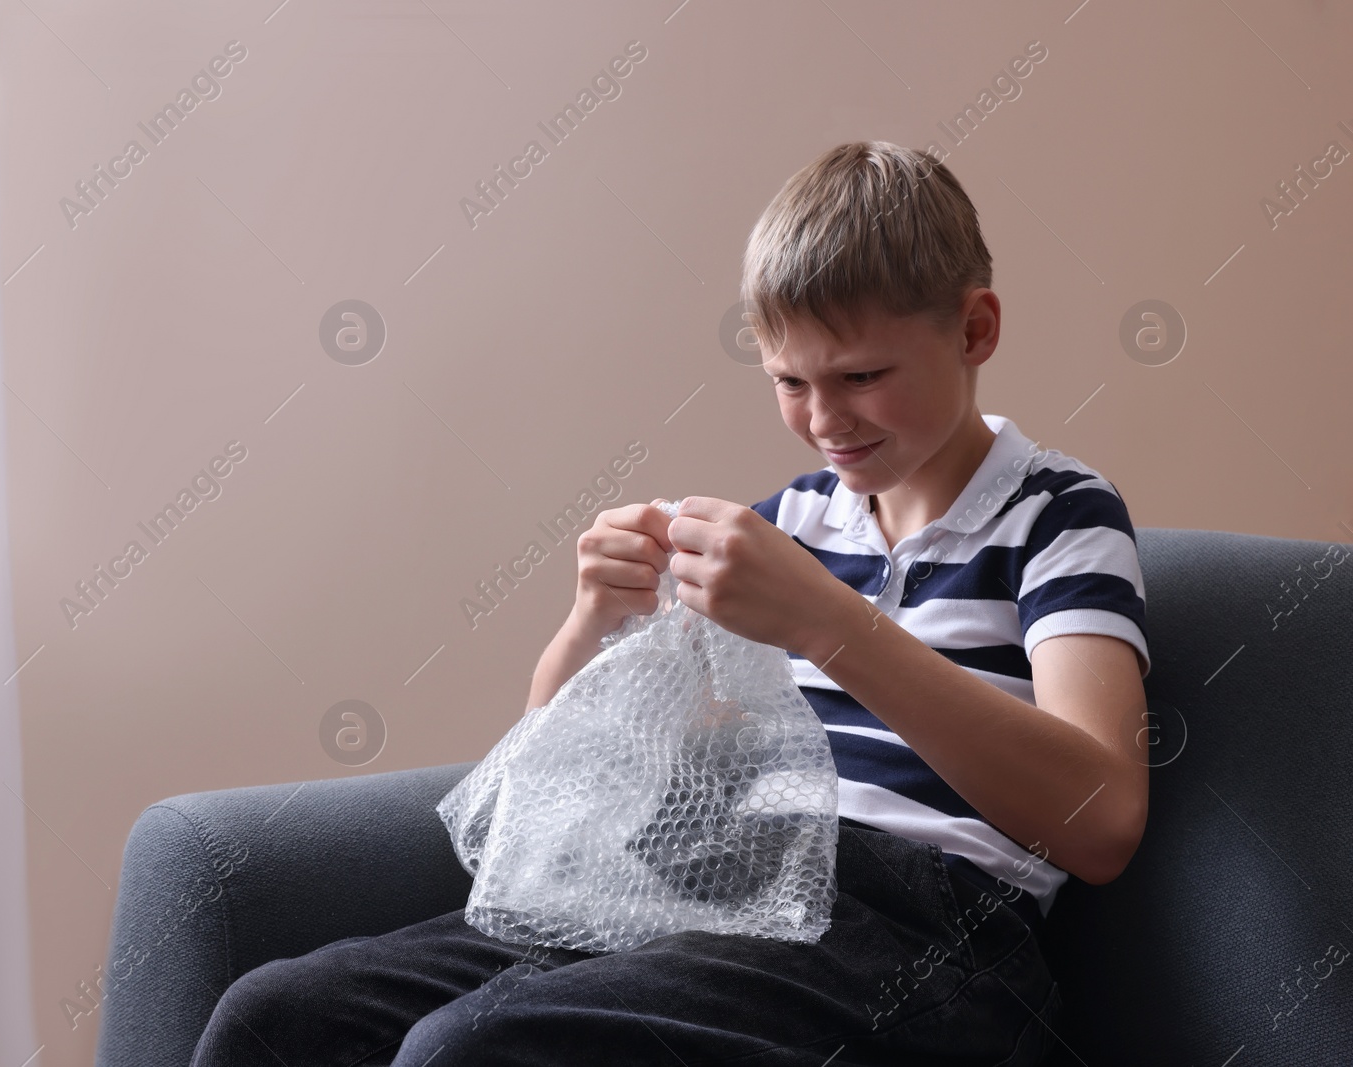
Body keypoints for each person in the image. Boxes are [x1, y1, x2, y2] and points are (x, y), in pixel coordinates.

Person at [190, 140, 1152, 1066]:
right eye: (790, 381)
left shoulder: (1059, 516)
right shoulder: (795, 524)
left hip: (937, 934)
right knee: (277, 1019)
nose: (824, 421)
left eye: (862, 377)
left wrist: (826, 621)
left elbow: (1101, 819)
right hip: (734, 876)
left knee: (476, 1048)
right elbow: (566, 783)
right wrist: (592, 624)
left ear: (976, 329)